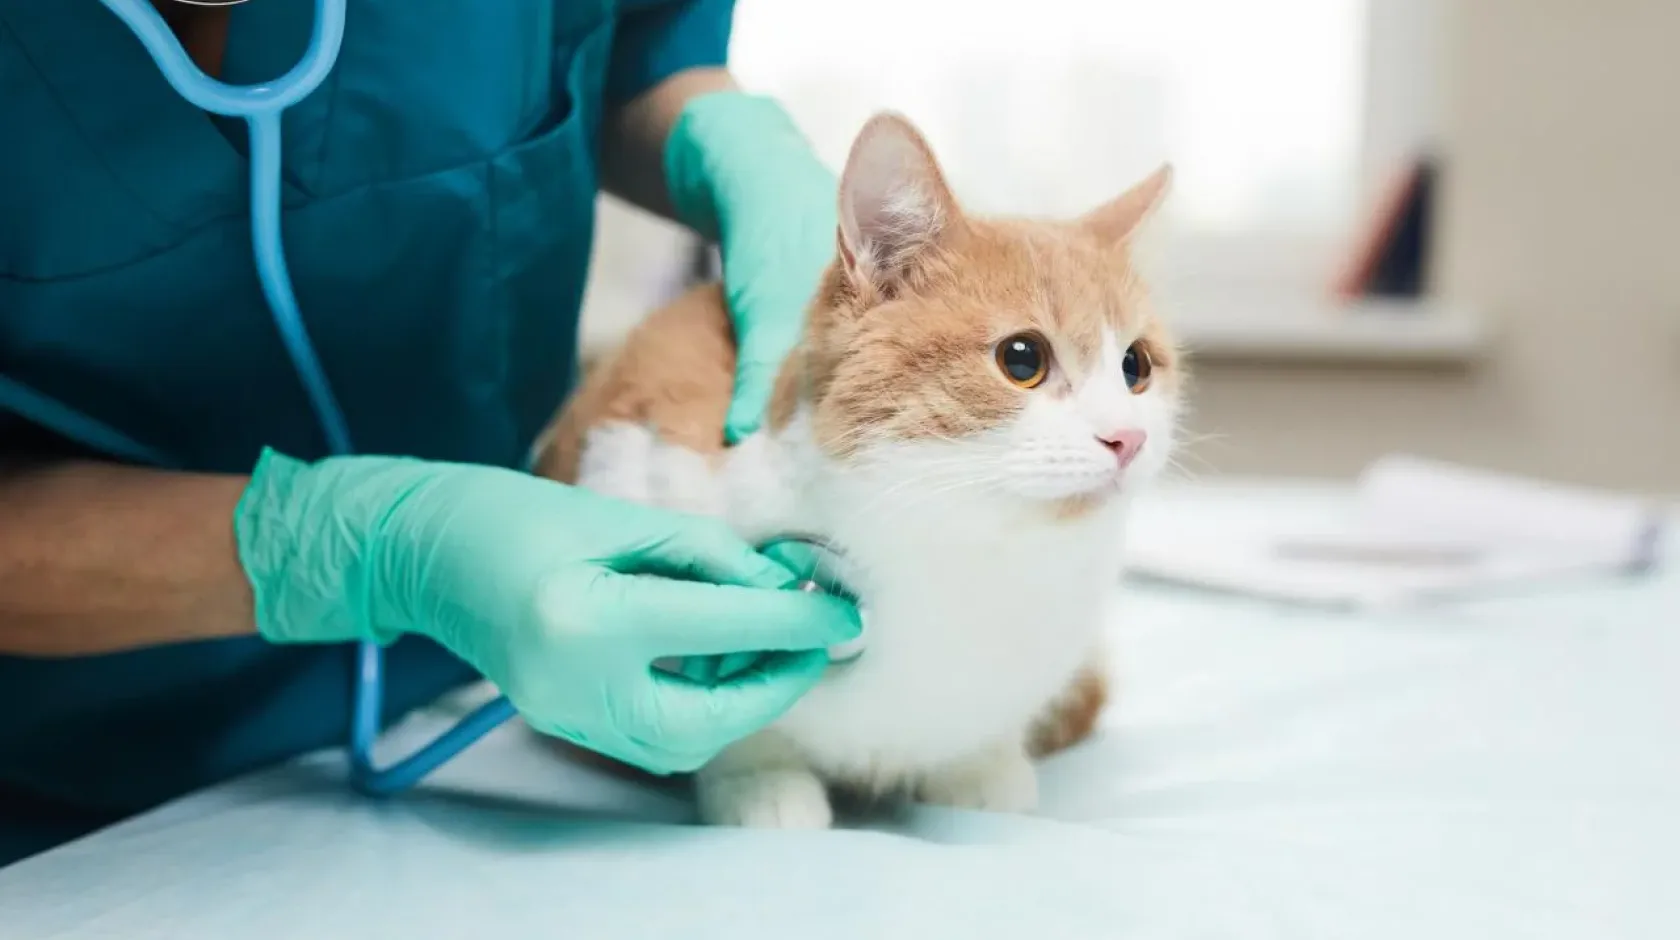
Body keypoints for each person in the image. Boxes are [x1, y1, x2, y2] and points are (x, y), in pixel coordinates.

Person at [0, 0, 862, 866]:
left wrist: (723, 138)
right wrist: (363, 550)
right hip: (79, 791)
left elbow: (632, 43)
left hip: (491, 713)